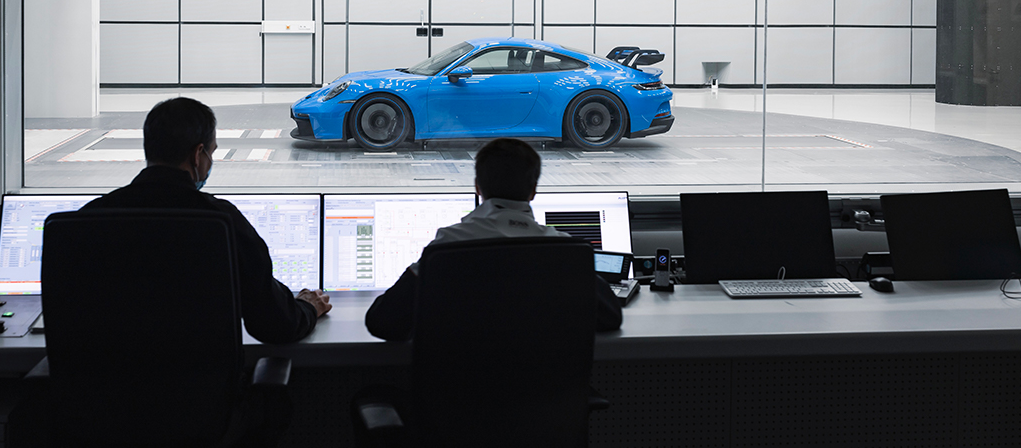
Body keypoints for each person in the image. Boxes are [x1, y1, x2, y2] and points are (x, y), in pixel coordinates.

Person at [82, 97, 331, 343]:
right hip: (200, 382)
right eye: (211, 152)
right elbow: (276, 325)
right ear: (198, 155)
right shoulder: (222, 223)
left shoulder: (86, 221)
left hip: (98, 381)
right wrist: (307, 306)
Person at [364, 138, 623, 341]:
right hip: (545, 406)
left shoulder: (446, 248)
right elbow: (611, 317)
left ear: (477, 187)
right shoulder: (566, 251)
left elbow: (383, 322)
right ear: (533, 191)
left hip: (458, 404)